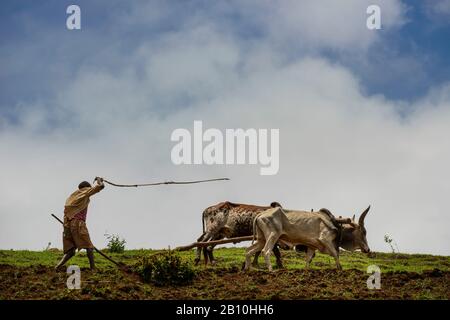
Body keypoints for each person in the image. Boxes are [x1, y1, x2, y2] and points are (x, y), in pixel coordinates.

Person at [55, 177, 105, 271]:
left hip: (67, 226)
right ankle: (93, 268)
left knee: (70, 251)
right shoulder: (84, 192)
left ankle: (57, 267)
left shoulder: (72, 196)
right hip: (78, 224)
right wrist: (99, 180)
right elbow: (101, 186)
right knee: (89, 246)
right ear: (86, 188)